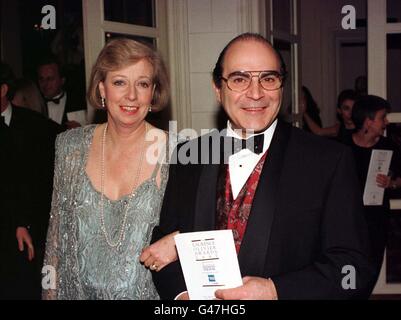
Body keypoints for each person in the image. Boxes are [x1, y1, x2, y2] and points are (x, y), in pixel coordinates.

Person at [150, 33, 374, 300]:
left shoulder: (329, 161)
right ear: (218, 89)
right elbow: (163, 244)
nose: (255, 93)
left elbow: (353, 266)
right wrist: (183, 294)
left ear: (282, 86)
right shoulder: (190, 155)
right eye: (239, 79)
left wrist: (275, 291)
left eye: (268, 79)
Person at [42, 38, 174, 300]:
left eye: (143, 84)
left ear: (153, 92)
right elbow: (55, 237)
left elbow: (203, 232)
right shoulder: (70, 147)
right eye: (119, 82)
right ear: (102, 88)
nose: (132, 96)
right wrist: (49, 294)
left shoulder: (178, 153)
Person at [0, 62, 61, 299]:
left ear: (3, 90)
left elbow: (45, 177)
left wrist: (26, 221)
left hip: (30, 234)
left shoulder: (35, 125)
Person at [343, 95, 401, 288]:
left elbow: (400, 178)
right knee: (348, 268)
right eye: (382, 117)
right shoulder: (342, 147)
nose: (386, 122)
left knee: (371, 267)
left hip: (376, 219)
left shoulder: (389, 147)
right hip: (348, 220)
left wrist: (391, 183)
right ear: (368, 121)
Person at [37, 56, 85, 129]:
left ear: (62, 80)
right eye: (41, 79)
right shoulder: (34, 104)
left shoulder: (77, 102)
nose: (45, 84)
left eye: (50, 79)